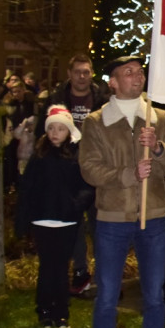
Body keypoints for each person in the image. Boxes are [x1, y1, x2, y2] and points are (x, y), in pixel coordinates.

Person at [76, 56, 165, 328]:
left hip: (152, 216)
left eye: (139, 72)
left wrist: (158, 148)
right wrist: (126, 175)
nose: (136, 76)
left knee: (154, 295)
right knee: (107, 296)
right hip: (111, 219)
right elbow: (89, 169)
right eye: (128, 72)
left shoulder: (160, 117)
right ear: (112, 82)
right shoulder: (96, 122)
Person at [15, 106, 92, 328]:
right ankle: (44, 311)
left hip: (66, 220)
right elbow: (27, 188)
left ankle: (61, 312)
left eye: (61, 129)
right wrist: (24, 218)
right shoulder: (39, 156)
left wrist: (76, 205)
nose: (55, 133)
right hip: (43, 220)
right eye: (52, 128)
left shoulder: (75, 156)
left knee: (61, 268)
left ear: (69, 131)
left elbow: (86, 186)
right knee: (47, 267)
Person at [42, 55, 109, 298]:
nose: (82, 76)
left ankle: (103, 274)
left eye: (86, 72)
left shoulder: (103, 101)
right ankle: (80, 271)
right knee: (74, 224)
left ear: (91, 73)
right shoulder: (56, 99)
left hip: (95, 168)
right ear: (69, 73)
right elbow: (45, 133)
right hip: (67, 169)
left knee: (99, 223)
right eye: (78, 72)